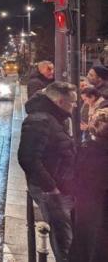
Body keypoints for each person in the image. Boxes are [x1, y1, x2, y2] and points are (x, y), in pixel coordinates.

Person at [18, 82, 77, 262]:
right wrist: (51, 187)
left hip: (60, 186)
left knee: (67, 234)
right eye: (72, 102)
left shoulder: (54, 118)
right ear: (60, 101)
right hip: (50, 190)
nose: (74, 105)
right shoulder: (40, 120)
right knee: (63, 237)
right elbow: (28, 158)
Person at [69, 109, 108, 262]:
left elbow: (74, 177)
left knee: (83, 246)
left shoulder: (85, 150)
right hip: (98, 212)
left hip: (84, 209)